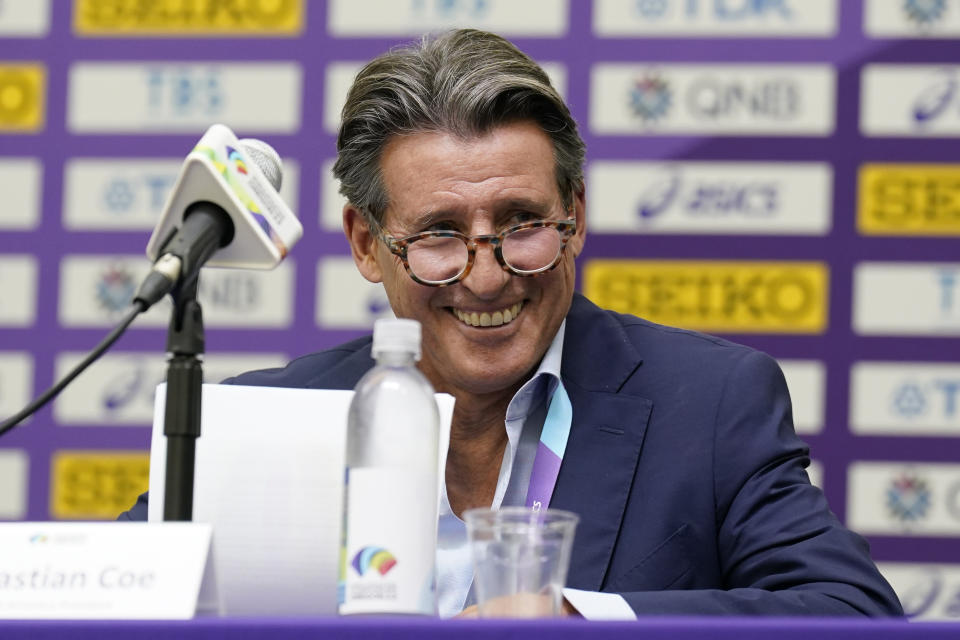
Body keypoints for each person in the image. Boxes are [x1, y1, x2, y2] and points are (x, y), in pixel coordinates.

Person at [120, 28, 902, 619]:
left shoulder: (711, 403)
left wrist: (584, 618)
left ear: (578, 217)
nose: (487, 276)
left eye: (522, 222)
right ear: (367, 244)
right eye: (438, 235)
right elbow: (98, 596)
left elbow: (849, 611)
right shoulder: (267, 419)